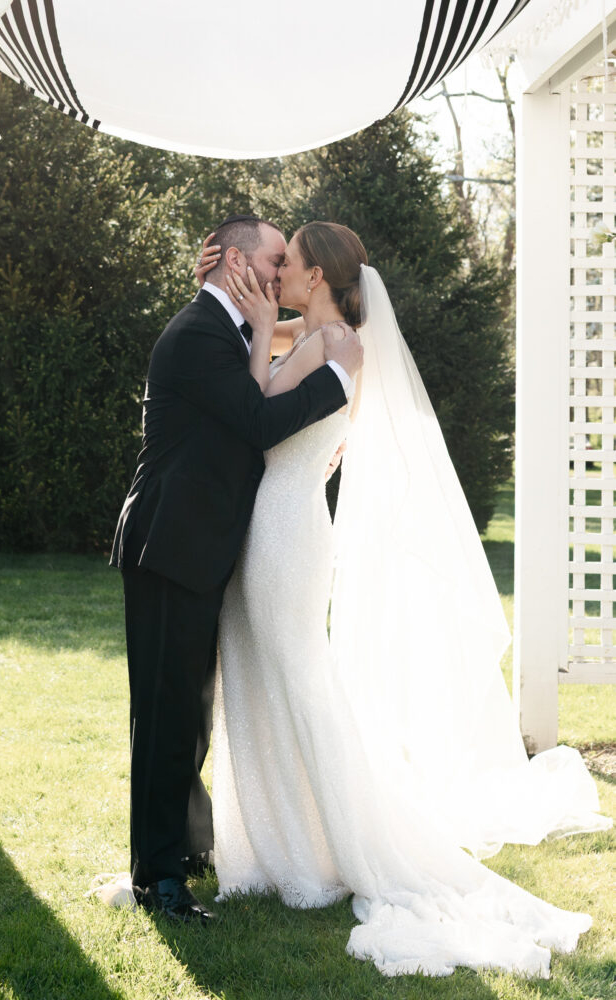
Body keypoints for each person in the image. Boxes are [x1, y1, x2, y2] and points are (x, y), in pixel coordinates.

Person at [194, 221, 612, 976]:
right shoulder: (313, 332)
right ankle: (273, 844)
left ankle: (340, 847)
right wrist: (240, 297)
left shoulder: (337, 346)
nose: (277, 272)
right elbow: (254, 342)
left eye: (286, 263)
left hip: (287, 529)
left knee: (300, 681)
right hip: (273, 521)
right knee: (259, 676)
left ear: (316, 275)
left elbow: (255, 411)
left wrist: (260, 329)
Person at [109, 215, 364, 924]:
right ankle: (157, 877)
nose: (283, 272)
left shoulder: (228, 328)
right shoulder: (197, 334)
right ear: (238, 265)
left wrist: (291, 342)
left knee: (188, 713)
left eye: (289, 262)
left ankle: (187, 845)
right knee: (164, 718)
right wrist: (337, 386)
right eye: (274, 259)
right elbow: (256, 422)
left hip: (199, 547)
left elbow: (297, 351)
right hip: (169, 545)